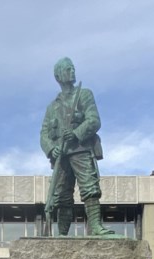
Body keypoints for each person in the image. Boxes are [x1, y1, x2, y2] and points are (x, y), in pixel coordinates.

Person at [40, 57, 113, 237]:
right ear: (58, 76)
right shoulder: (52, 107)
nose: (72, 71)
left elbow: (94, 120)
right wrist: (51, 148)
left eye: (73, 68)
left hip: (81, 149)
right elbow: (43, 134)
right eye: (67, 69)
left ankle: (95, 226)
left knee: (90, 188)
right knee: (62, 196)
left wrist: (76, 133)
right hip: (61, 156)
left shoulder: (84, 94)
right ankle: (62, 233)